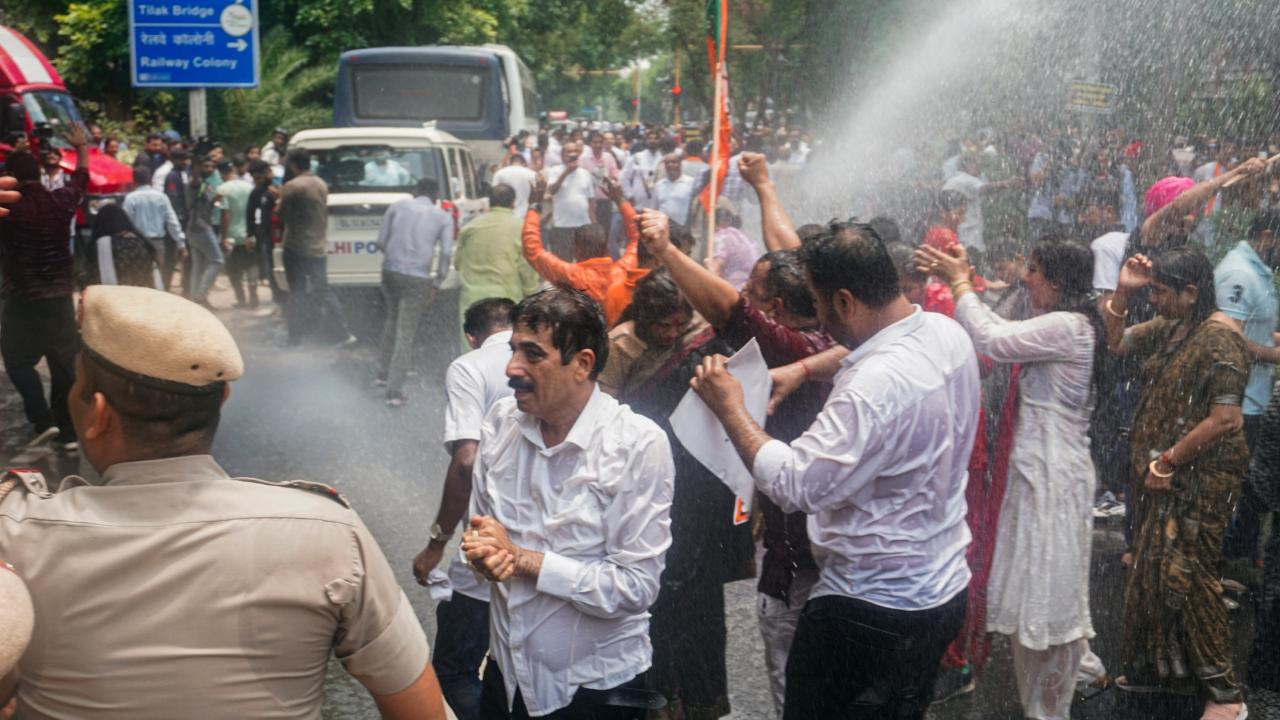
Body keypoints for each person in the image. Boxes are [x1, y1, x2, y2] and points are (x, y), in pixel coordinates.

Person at [0, 285, 447, 719]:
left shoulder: (13, 532)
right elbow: (421, 709)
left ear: (98, 413)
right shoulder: (329, 534)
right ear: (224, 399)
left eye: (75, 386)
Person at [690, 221, 978, 720]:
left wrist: (730, 407)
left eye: (821, 306)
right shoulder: (943, 330)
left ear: (844, 301)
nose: (819, 318)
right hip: (942, 590)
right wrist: (803, 368)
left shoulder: (872, 388)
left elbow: (794, 484)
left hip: (869, 612)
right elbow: (864, 348)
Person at [460, 287, 675, 720]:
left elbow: (635, 587)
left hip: (596, 692)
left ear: (582, 364)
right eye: (513, 350)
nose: (512, 369)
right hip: (508, 681)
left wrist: (523, 560)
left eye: (532, 354)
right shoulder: (501, 424)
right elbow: (481, 533)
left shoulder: (635, 443)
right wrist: (483, 555)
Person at [917, 237, 1107, 719]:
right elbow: (1000, 322)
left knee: (1046, 601)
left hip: (1052, 479)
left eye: (1036, 270)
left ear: (1059, 282)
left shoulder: (1069, 325)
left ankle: (1050, 709)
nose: (1027, 277)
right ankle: (1063, 684)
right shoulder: (1069, 318)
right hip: (1043, 473)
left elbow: (993, 340)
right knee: (1041, 595)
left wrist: (961, 281)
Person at [1104, 248, 1250, 720]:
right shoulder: (1174, 327)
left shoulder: (1219, 339)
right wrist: (1124, 292)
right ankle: (1161, 670)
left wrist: (1168, 460)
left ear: (1192, 293)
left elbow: (1226, 419)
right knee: (1153, 569)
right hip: (1165, 476)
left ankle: (1225, 695)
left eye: (1163, 292)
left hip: (1201, 478)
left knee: (1191, 578)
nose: (1158, 300)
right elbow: (1118, 344)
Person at [600, 270, 753, 720]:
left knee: (701, 602)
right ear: (642, 320)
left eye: (676, 325)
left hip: (701, 486)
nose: (670, 335)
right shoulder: (621, 347)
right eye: (661, 327)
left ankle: (703, 701)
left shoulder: (702, 338)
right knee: (655, 598)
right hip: (645, 483)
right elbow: (605, 415)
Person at [412, 298, 518, 720]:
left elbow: (466, 462)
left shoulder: (469, 366)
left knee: (454, 671)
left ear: (472, 336)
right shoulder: (557, 360)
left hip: (485, 550)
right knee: (525, 668)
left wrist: (436, 543)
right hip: (551, 550)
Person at [0, 123, 89, 452]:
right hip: (60, 296)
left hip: (22, 297)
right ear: (38, 174)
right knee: (62, 363)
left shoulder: (9, 209)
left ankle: (42, 419)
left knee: (17, 361)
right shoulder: (60, 201)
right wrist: (80, 148)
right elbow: (80, 180)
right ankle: (67, 434)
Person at [1215, 212, 1280, 564]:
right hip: (1238, 400)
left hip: (1256, 397)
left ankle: (1240, 558)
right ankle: (1223, 567)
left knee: (1251, 484)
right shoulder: (1239, 273)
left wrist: (1274, 343)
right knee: (1234, 485)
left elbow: (1254, 328)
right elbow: (1226, 334)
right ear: (1268, 236)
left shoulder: (1259, 270)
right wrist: (1273, 355)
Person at [375, 178, 454, 405]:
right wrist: (437, 281)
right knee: (406, 331)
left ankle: (382, 373)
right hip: (418, 276)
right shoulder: (442, 217)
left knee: (392, 318)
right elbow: (447, 253)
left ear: (414, 191)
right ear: (436, 195)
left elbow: (380, 242)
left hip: (390, 271)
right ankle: (394, 391)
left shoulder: (397, 206)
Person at [277, 149, 357, 346]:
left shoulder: (291, 186)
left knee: (297, 292)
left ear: (294, 165)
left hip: (296, 247)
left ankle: (295, 337)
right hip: (318, 247)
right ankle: (344, 333)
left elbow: (282, 214)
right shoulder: (321, 183)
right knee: (324, 291)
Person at [522, 176, 639, 302]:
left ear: (575, 250)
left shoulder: (570, 275)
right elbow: (638, 239)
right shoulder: (623, 272)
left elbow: (532, 249)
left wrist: (534, 206)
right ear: (607, 249)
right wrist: (620, 199)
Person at [453, 184, 540, 350]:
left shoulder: (470, 228)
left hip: (472, 300)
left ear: (489, 203)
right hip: (507, 301)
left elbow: (458, 263)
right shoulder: (520, 228)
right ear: (513, 203)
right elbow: (526, 267)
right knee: (506, 352)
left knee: (471, 352)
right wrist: (532, 293)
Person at [122, 164, 187, 291]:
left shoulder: (130, 198)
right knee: (157, 275)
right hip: (158, 243)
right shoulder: (161, 197)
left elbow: (126, 222)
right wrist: (181, 244)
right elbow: (172, 221)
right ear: (150, 179)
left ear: (134, 180)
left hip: (137, 244)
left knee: (139, 275)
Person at [80, 204, 162, 289]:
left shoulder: (102, 246)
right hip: (145, 296)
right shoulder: (143, 243)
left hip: (116, 298)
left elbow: (94, 278)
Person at [541, 141, 596, 260]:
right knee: (563, 264)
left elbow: (590, 202)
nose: (572, 154)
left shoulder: (585, 174)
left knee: (583, 263)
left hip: (583, 226)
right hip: (562, 226)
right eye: (569, 152)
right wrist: (566, 172)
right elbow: (552, 190)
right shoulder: (555, 171)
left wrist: (594, 225)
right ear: (562, 155)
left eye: (575, 151)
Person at [217, 160, 257, 307]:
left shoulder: (222, 189)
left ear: (221, 173)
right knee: (251, 265)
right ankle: (253, 295)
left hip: (232, 236)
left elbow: (225, 214)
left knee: (233, 270)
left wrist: (224, 236)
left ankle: (241, 299)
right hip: (249, 234)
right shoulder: (249, 187)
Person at [185, 155, 224, 305]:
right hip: (200, 228)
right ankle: (201, 295)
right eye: (205, 166)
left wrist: (216, 200)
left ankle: (196, 302)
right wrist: (196, 158)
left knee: (198, 266)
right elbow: (195, 175)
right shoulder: (195, 183)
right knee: (218, 260)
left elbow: (205, 204)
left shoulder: (205, 185)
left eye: (211, 167)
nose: (209, 169)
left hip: (197, 228)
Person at [246, 159, 284, 308]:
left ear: (268, 173)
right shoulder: (257, 192)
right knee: (272, 272)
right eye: (254, 179)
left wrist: (279, 199)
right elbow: (249, 214)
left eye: (259, 178)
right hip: (267, 237)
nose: (257, 181)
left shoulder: (281, 187)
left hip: (284, 237)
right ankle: (278, 302)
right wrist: (250, 235)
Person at [704, 199, 761, 291]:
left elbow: (717, 266)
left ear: (721, 222)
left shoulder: (722, 236)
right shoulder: (743, 234)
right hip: (754, 283)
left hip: (737, 288)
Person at [620, 129, 664, 211]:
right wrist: (629, 195)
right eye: (650, 138)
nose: (652, 141)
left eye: (655, 138)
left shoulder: (663, 159)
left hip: (657, 204)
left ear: (659, 141)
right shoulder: (637, 157)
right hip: (637, 203)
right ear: (646, 141)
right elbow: (623, 176)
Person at [653, 153, 697, 227]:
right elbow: (655, 209)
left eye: (674, 162)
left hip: (684, 229)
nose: (670, 165)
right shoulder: (659, 185)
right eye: (667, 163)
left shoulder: (691, 183)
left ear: (680, 164)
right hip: (664, 228)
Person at [491, 154, 539, 219]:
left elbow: (493, 193)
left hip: (503, 215)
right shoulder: (532, 174)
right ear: (524, 163)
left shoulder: (499, 173)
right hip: (524, 215)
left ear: (510, 162)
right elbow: (538, 196)